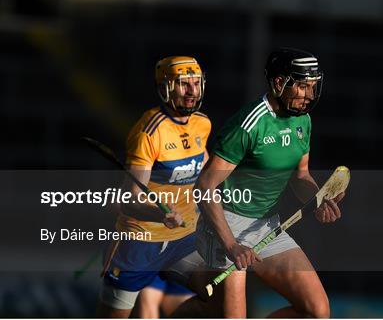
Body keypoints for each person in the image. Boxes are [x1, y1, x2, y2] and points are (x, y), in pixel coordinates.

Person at [190, 48, 345, 318]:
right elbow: (205, 186)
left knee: (317, 311)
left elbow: (301, 176)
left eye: (313, 86)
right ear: (278, 83)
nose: (309, 94)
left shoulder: (303, 120)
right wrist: (231, 245)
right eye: (302, 86)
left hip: (267, 226)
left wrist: (318, 199)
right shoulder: (250, 124)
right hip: (226, 224)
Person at [97, 56, 211, 318]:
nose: (192, 91)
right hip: (140, 242)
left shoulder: (202, 123)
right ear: (165, 88)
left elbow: (206, 169)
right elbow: (128, 201)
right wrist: (160, 215)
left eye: (196, 83)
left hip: (184, 240)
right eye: (184, 84)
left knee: (222, 293)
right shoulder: (149, 132)